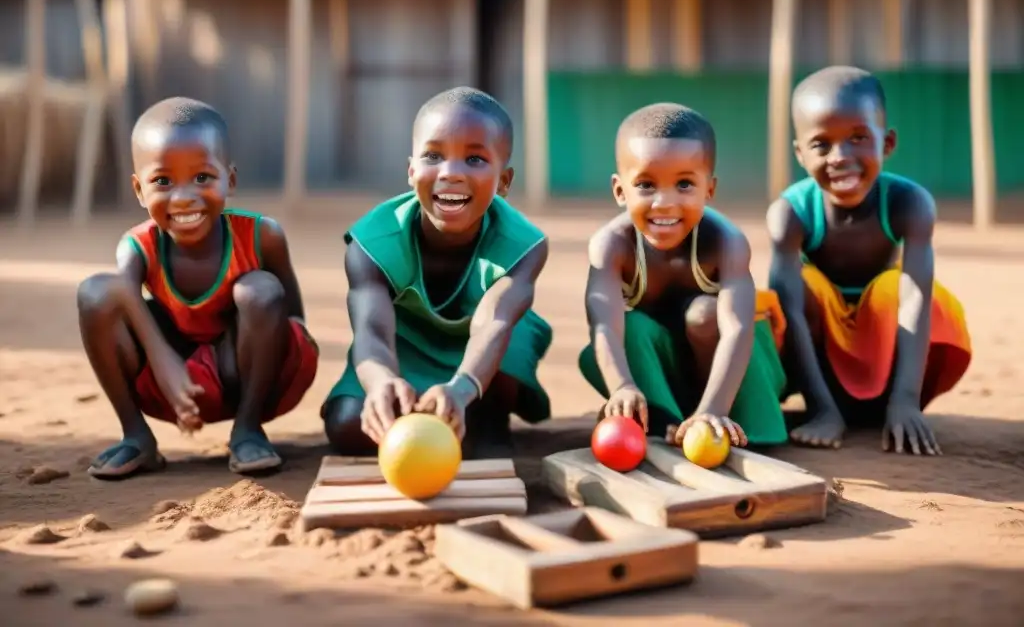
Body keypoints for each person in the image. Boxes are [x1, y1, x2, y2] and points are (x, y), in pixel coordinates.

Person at [77, 97, 319, 479]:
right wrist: (165, 364)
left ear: (231, 180)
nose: (184, 196)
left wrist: (268, 370)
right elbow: (118, 292)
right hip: (165, 386)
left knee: (260, 291)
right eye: (163, 181)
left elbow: (295, 324)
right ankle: (136, 436)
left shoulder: (262, 236)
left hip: (242, 374)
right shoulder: (139, 245)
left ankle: (248, 429)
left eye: (202, 177)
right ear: (140, 190)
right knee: (95, 293)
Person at [321, 86, 552, 458]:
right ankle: (455, 417)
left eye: (474, 160)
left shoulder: (523, 246)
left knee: (512, 337)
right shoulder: (373, 242)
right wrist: (383, 381)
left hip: (485, 349)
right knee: (349, 424)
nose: (451, 173)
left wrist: (461, 388)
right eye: (433, 156)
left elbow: (494, 323)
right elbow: (372, 330)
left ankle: (488, 415)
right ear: (412, 171)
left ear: (504, 182)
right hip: (403, 343)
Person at [767, 65, 972, 455]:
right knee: (787, 297)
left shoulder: (908, 204)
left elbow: (915, 300)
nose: (840, 157)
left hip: (886, 346)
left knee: (897, 288)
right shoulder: (790, 214)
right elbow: (789, 313)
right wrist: (822, 409)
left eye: (859, 138)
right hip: (820, 353)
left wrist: (907, 399)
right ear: (799, 152)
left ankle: (891, 405)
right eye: (821, 144)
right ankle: (832, 406)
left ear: (888, 143)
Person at [579, 103, 789, 449]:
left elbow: (738, 329)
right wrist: (621, 386)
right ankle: (666, 424)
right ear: (620, 190)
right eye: (646, 185)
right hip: (669, 373)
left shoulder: (725, 242)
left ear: (710, 188)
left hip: (736, 370)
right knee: (623, 333)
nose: (664, 202)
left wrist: (712, 411)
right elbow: (604, 326)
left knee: (704, 315)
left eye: (684, 185)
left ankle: (725, 419)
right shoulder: (612, 247)